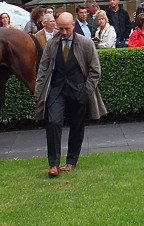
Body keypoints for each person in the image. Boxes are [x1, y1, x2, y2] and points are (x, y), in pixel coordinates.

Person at [33, 12, 106, 177]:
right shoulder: (52, 44)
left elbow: (95, 70)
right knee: (53, 122)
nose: (64, 32)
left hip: (79, 91)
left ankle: (71, 161)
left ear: (73, 25)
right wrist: (38, 93)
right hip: (56, 91)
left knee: (77, 126)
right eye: (60, 28)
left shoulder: (86, 44)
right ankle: (53, 164)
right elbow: (43, 69)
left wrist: (86, 91)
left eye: (67, 28)